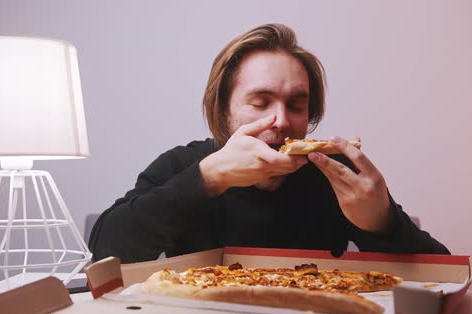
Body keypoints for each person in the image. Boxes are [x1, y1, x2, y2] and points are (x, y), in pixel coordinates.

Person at [89, 23, 449, 263]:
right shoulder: (183, 165)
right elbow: (105, 250)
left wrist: (382, 221)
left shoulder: (336, 175)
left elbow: (441, 270)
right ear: (224, 109)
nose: (281, 120)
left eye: (296, 105)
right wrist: (208, 179)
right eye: (260, 102)